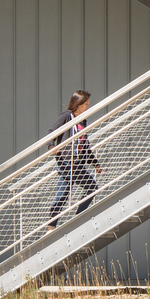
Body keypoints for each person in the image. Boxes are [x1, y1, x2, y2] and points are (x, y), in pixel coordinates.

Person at [44, 89, 101, 228]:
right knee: (92, 188)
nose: (88, 106)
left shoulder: (83, 121)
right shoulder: (67, 116)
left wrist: (95, 163)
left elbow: (84, 145)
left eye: (88, 103)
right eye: (86, 104)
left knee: (62, 197)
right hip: (67, 162)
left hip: (76, 163)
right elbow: (52, 132)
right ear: (78, 103)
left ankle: (51, 227)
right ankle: (78, 219)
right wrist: (52, 146)